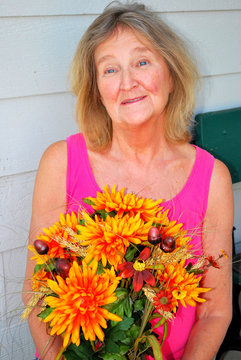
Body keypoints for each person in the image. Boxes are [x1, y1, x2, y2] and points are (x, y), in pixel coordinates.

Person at [22, 2, 233, 360]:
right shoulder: (61, 163)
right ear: (96, 90)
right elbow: (36, 292)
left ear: (171, 74)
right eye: (109, 69)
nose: (127, 83)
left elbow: (215, 311)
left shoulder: (212, 178)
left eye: (142, 62)